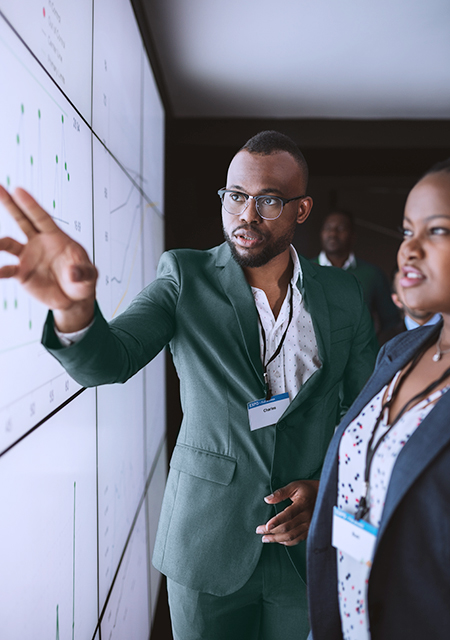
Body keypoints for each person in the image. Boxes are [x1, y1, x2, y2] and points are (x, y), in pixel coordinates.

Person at [0, 130, 378, 640]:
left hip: (303, 545)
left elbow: (365, 412)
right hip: (207, 541)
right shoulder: (185, 274)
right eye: (235, 197)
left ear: (302, 209)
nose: (245, 215)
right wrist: (72, 309)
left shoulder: (343, 292)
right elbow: (110, 361)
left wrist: (325, 489)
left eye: (267, 201)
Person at [307, 158, 450, 640]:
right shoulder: (401, 350)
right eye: (408, 229)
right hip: (342, 619)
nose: (409, 249)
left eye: (438, 231)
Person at [313, 210, 400, 342]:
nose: (333, 234)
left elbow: (391, 322)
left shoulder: (372, 274)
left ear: (353, 235)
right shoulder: (302, 270)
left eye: (340, 228)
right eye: (328, 228)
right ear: (321, 233)